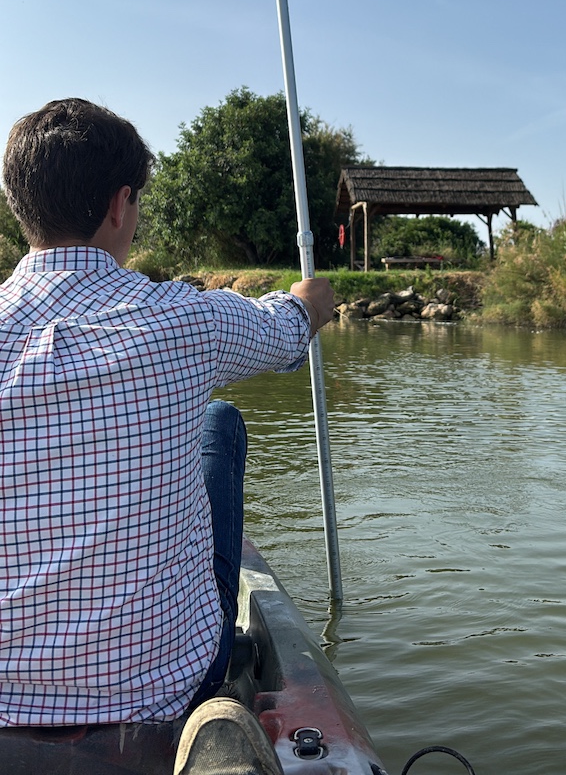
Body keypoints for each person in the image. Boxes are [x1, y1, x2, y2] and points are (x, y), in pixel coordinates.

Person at [0, 98, 334, 727]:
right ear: (120, 204)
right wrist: (309, 300)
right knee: (219, 422)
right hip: (159, 687)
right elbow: (288, 331)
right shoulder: (183, 319)